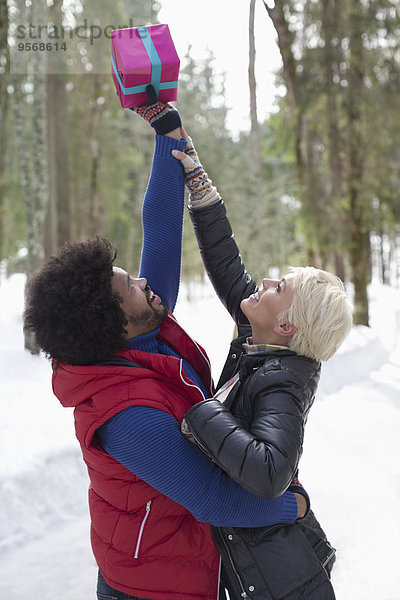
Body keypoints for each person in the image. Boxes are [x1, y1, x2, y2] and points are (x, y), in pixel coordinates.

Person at [23, 90, 307, 600]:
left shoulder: (140, 326)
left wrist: (166, 133)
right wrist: (295, 505)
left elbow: (158, 228)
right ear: (107, 324)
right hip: (152, 585)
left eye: (128, 275)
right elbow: (214, 499)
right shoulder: (126, 417)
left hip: (182, 559)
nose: (143, 281)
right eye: (129, 286)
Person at [171, 134, 353, 599]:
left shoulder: (282, 385)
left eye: (279, 288)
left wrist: (201, 409)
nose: (265, 281)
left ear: (288, 326)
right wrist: (200, 186)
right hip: (270, 569)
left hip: (286, 582)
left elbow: (272, 471)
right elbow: (228, 268)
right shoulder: (260, 339)